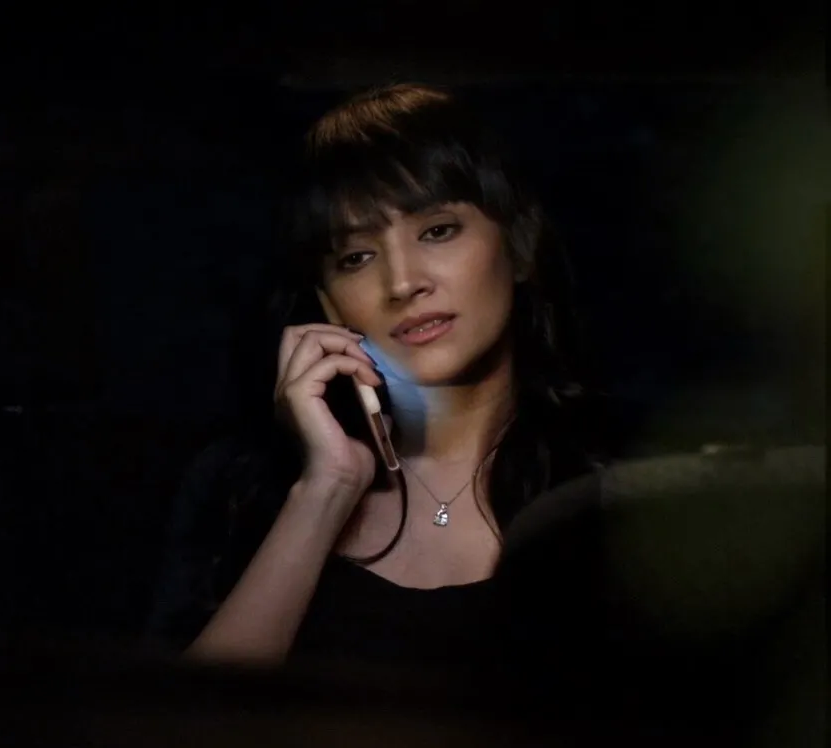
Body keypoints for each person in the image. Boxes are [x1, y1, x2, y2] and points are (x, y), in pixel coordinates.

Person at [147, 84, 611, 669]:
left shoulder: (618, 479)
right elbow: (188, 720)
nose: (402, 282)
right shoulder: (238, 489)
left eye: (437, 231)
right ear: (328, 304)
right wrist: (326, 489)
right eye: (356, 258)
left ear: (518, 247)